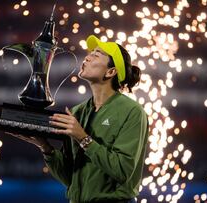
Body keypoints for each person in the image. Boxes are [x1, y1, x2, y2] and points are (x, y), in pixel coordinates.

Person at [10, 35, 149, 203]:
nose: (87, 57)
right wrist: (46, 148)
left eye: (96, 55)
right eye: (90, 53)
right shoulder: (78, 111)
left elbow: (123, 171)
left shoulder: (132, 111)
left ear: (111, 72)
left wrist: (83, 138)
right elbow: (69, 178)